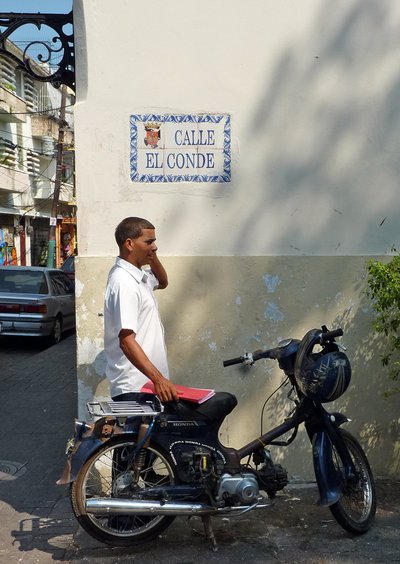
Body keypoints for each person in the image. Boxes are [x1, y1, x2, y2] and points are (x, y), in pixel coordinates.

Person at [104, 217, 178, 403]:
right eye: (149, 242)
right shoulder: (124, 283)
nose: (155, 246)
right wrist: (158, 379)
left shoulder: (138, 276)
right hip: (135, 388)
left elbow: (163, 282)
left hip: (148, 385)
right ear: (129, 244)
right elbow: (126, 341)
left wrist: (150, 253)